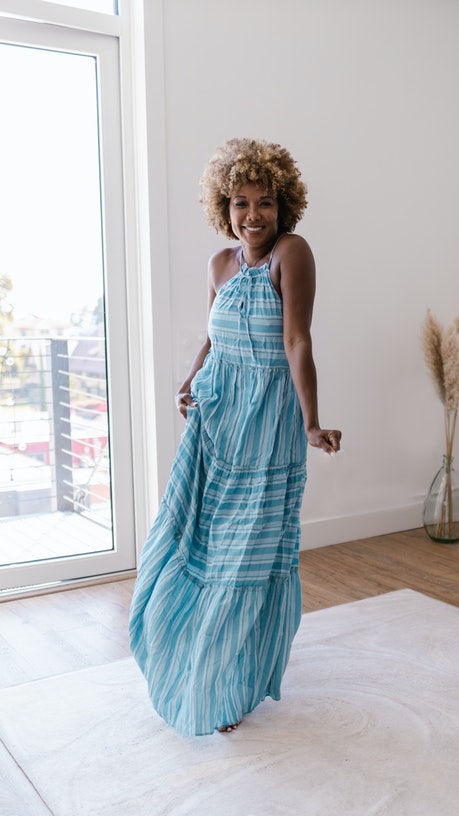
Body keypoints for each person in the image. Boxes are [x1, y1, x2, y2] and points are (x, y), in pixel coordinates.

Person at [128, 138, 342, 735]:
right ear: (222, 207)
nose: (253, 216)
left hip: (268, 421)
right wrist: (189, 379)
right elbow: (214, 335)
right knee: (197, 541)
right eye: (240, 203)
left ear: (284, 205)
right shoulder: (220, 265)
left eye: (265, 203)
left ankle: (232, 683)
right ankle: (193, 664)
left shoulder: (291, 254)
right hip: (216, 416)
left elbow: (297, 340)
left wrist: (310, 422)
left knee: (245, 555)